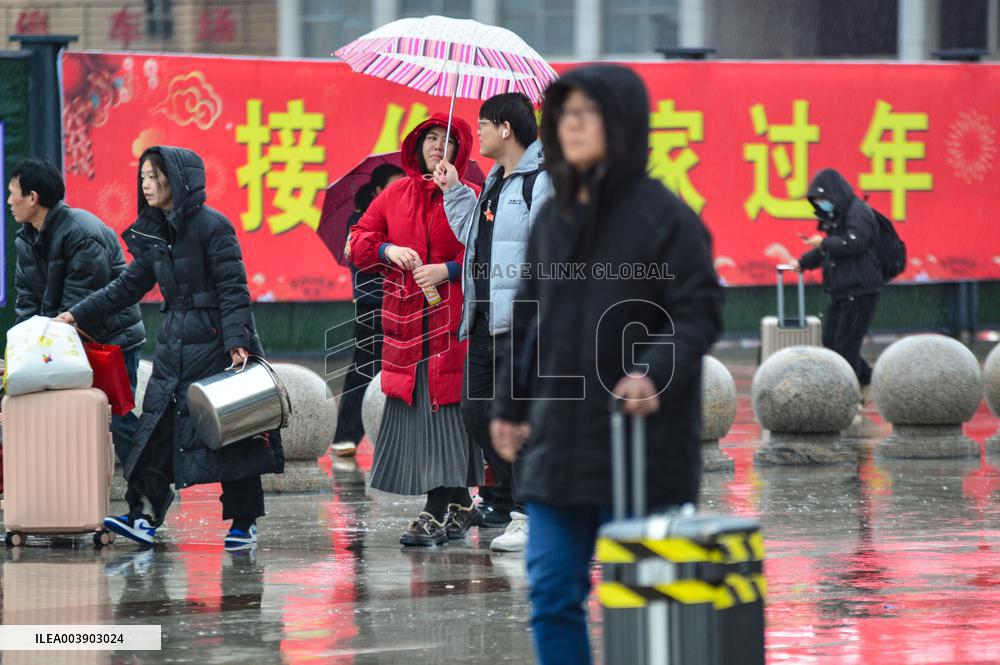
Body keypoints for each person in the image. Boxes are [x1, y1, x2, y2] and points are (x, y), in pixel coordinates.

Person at [489, 65, 723, 665]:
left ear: (621, 125)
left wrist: (654, 370)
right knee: (551, 596)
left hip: (639, 447)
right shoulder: (552, 217)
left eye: (586, 114)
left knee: (642, 601)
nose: (572, 126)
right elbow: (526, 320)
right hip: (558, 445)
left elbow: (698, 312)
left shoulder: (665, 218)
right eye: (564, 115)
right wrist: (510, 408)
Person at [56, 146, 284, 551]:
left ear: (178, 180)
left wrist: (236, 343)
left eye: (155, 176)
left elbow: (234, 289)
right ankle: (143, 516)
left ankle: (244, 522)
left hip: (216, 344)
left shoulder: (214, 226)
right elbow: (127, 286)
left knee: (232, 431)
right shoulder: (155, 232)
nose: (147, 184)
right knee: (157, 430)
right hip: (174, 344)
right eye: (143, 176)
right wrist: (76, 315)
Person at [349, 114, 483, 546]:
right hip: (406, 327)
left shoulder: (472, 197)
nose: (436, 145)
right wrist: (389, 249)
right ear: (416, 144)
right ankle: (458, 504)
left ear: (460, 150)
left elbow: (489, 257)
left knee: (447, 412)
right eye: (429, 137)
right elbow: (359, 241)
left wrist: (447, 270)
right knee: (420, 412)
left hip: (454, 325)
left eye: (447, 139)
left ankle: (435, 509)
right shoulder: (395, 195)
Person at [434, 92, 553, 553]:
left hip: (522, 325)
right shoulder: (495, 182)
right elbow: (473, 236)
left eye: (484, 123)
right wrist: (453, 189)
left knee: (516, 418)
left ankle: (528, 512)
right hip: (483, 320)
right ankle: (504, 499)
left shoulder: (540, 182)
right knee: (477, 413)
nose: (477, 131)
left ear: (506, 129)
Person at [9, 158, 145, 467]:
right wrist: (22, 350)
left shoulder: (82, 233)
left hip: (110, 341)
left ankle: (150, 493)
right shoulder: (25, 239)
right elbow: (27, 303)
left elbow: (79, 305)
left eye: (12, 192)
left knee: (117, 419)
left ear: (33, 197)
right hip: (62, 343)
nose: (8, 201)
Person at [331, 163, 405, 457]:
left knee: (404, 373)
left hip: (405, 305)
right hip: (373, 305)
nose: (399, 192)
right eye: (393, 186)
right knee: (364, 370)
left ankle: (400, 437)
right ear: (377, 190)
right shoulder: (359, 220)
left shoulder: (403, 218)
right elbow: (362, 258)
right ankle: (345, 437)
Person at [789, 168, 882, 398]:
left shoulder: (858, 211)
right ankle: (865, 381)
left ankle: (852, 393)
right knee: (831, 342)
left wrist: (824, 243)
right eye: (817, 201)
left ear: (834, 195)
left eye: (823, 199)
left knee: (846, 345)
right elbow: (827, 251)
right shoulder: (835, 217)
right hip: (840, 291)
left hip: (860, 290)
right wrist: (804, 262)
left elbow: (855, 243)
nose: (821, 205)